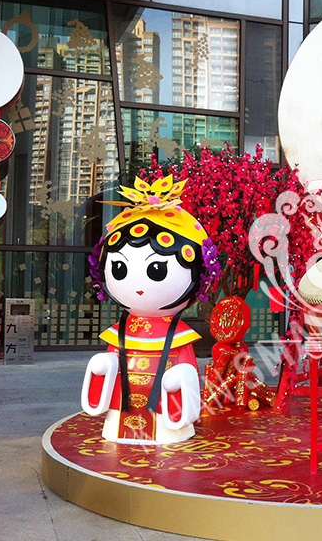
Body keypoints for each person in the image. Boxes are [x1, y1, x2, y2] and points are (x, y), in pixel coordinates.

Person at [81, 175, 218, 444]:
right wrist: (104, 365)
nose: (138, 287)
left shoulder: (178, 335)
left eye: (156, 270)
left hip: (165, 407)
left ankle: (170, 428)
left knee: (166, 425)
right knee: (118, 416)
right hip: (122, 400)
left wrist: (179, 378)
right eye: (119, 269)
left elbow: (187, 367)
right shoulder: (121, 331)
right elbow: (112, 356)